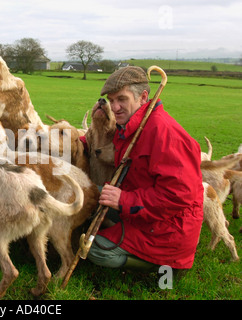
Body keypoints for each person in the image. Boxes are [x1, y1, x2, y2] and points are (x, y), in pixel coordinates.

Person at [87, 66, 203, 274]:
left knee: (96, 250)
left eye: (122, 99)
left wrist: (123, 200)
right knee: (88, 194)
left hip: (167, 229)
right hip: (144, 212)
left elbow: (178, 196)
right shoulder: (132, 128)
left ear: (143, 97)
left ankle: (165, 266)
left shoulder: (165, 134)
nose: (114, 107)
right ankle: (117, 230)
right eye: (111, 101)